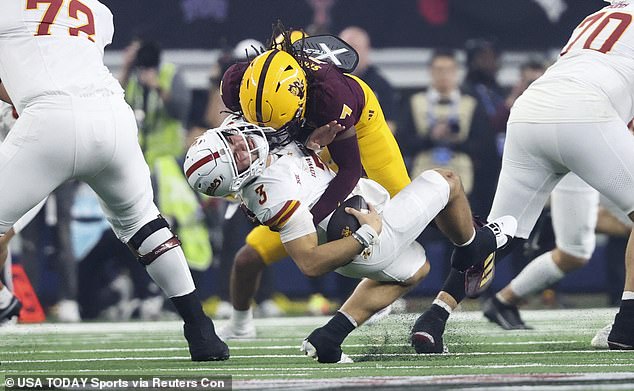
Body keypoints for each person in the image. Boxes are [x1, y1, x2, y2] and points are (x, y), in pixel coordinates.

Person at [0, 0, 227, 360]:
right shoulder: (97, 10)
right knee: (145, 226)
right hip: (112, 119)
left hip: (48, 120)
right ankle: (200, 328)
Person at [184, 119, 516, 363]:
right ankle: (477, 245)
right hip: (363, 237)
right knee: (446, 180)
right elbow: (309, 263)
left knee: (417, 269)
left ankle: (329, 338)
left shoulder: (262, 146)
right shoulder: (271, 194)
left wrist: (312, 144)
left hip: (364, 234)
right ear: (236, 178)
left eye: (231, 141)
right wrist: (365, 234)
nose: (242, 145)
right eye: (236, 157)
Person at [447, 0, 634, 350]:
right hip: (592, 123)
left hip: (546, 110)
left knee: (563, 246)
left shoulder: (597, 19)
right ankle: (627, 325)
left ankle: (470, 305)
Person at [217, 26, 412, 339]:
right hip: (304, 152)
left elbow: (350, 169)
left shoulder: (332, 93)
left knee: (406, 206)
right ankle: (240, 324)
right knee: (248, 256)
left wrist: (307, 220)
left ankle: (468, 246)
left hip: (355, 130)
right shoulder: (238, 85)